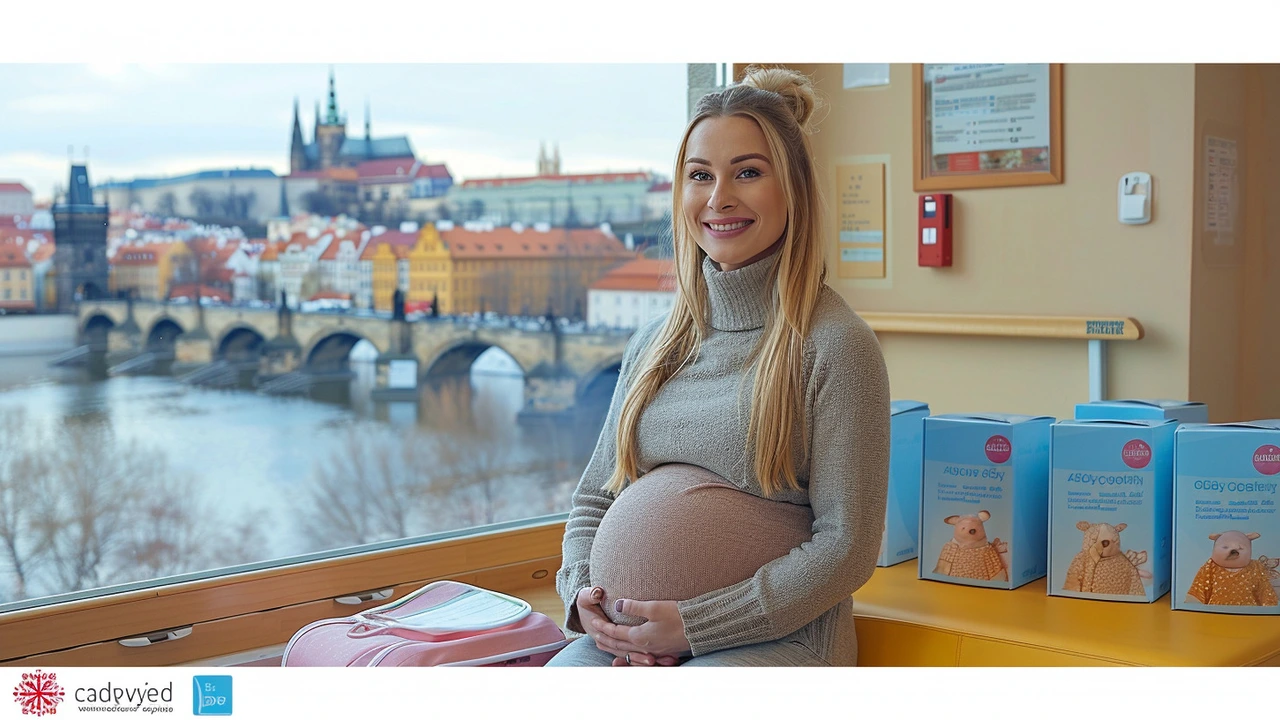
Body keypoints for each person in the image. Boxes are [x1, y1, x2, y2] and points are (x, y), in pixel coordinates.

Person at [545, 66, 890, 668]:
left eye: (748, 173)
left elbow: (847, 548)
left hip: (774, 642)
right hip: (622, 645)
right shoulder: (653, 343)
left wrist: (694, 627)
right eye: (699, 176)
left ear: (794, 188)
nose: (718, 197)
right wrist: (584, 600)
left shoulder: (834, 346)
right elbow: (593, 500)